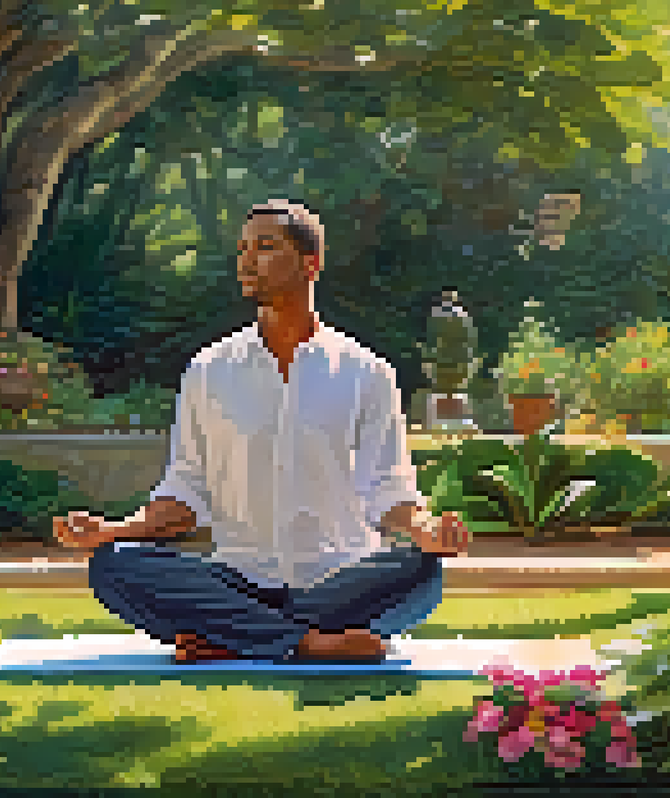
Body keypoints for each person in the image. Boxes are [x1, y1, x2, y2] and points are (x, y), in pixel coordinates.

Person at [53, 199, 472, 664]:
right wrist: (114, 530)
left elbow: (389, 488)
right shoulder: (209, 370)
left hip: (340, 582)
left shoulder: (367, 372)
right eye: (243, 250)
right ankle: (305, 643)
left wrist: (428, 530)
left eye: (266, 247)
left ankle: (235, 637)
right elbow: (186, 494)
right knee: (115, 566)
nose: (248, 260)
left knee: (420, 572)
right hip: (238, 580)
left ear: (311, 264)